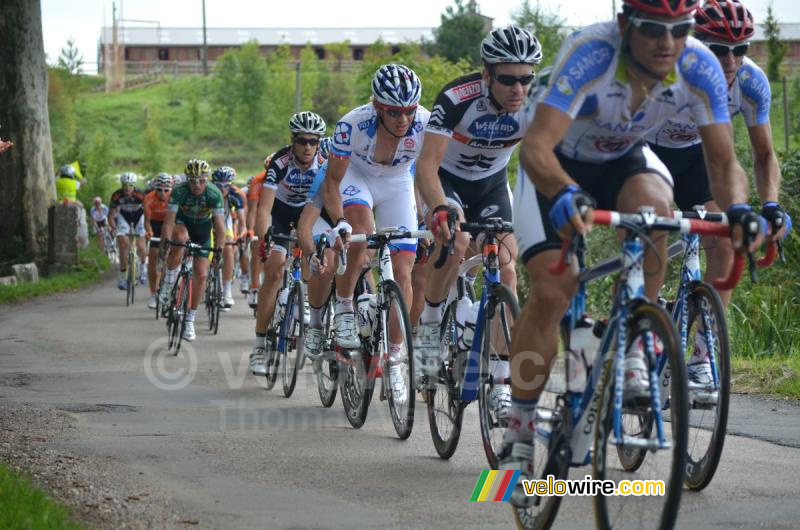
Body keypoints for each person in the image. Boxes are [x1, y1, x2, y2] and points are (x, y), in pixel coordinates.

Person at [501, 0, 764, 505]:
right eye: (652, 29)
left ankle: (638, 334)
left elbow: (724, 160)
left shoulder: (699, 65)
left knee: (655, 211)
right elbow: (535, 147)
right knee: (555, 289)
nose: (668, 42)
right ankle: (521, 423)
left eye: (680, 29)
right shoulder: (591, 52)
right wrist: (563, 193)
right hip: (554, 162)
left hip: (623, 157)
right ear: (625, 26)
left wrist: (741, 211)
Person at [645, 0, 789, 393]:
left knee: (724, 242)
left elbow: (763, 154)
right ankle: (645, 326)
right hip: (646, 150)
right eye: (717, 48)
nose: (729, 59)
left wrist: (771, 205)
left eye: (740, 49)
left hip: (699, 157)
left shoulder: (751, 82)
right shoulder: (668, 69)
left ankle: (701, 357)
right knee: (651, 225)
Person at [414, 26, 542, 417]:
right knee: (454, 246)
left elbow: (546, 161)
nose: (518, 89)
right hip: (446, 181)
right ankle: (432, 327)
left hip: (491, 186)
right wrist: (439, 207)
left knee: (506, 267)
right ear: (487, 75)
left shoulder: (537, 103)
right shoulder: (457, 98)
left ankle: (502, 382)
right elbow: (427, 164)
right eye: (508, 79)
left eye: (525, 78)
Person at [321, 64, 430, 404]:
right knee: (362, 234)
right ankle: (343, 309)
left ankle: (395, 358)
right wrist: (340, 222)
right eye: (395, 112)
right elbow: (333, 182)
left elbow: (428, 176)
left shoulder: (426, 123)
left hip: (398, 181)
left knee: (404, 271)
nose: (403, 120)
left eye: (409, 111)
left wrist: (427, 216)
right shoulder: (353, 124)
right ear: (378, 107)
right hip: (358, 177)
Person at [249, 112, 327, 375]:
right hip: (280, 214)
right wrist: (264, 240)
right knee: (273, 270)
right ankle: (260, 346)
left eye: (313, 142)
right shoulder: (280, 163)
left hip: (309, 212)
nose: (308, 147)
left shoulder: (325, 161)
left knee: (314, 252)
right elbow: (264, 209)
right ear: (293, 141)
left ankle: (303, 296)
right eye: (302, 141)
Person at [158, 160, 226, 341]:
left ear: (207, 180)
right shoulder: (179, 191)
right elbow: (169, 222)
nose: (197, 185)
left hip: (203, 230)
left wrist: (219, 249)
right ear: (187, 179)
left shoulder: (214, 194)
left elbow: (220, 227)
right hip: (183, 224)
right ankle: (169, 282)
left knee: (202, 274)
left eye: (202, 180)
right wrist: (165, 243)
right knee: (179, 238)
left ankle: (190, 319)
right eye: (193, 180)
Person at [211, 166, 248, 309]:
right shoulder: (208, 192)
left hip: (226, 222)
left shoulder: (236, 194)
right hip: (208, 222)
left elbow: (242, 223)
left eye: (226, 185)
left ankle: (226, 290)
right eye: (218, 185)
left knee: (228, 248)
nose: (222, 189)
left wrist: (241, 235)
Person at [108, 172, 147, 290]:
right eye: (125, 185)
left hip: (139, 217)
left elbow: (148, 211)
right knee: (123, 243)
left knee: (141, 245)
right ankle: (122, 276)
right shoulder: (116, 195)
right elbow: (111, 215)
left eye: (130, 185)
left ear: (134, 186)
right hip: (124, 217)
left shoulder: (140, 194)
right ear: (122, 185)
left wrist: (148, 226)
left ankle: (143, 268)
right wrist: (114, 229)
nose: (127, 188)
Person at [143, 173, 173, 309]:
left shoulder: (175, 197)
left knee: (169, 257)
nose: (162, 193)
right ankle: (153, 293)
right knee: (154, 256)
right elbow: (147, 222)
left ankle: (168, 285)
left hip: (170, 223)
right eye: (159, 189)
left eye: (166, 190)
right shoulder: (149, 198)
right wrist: (149, 232)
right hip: (155, 224)